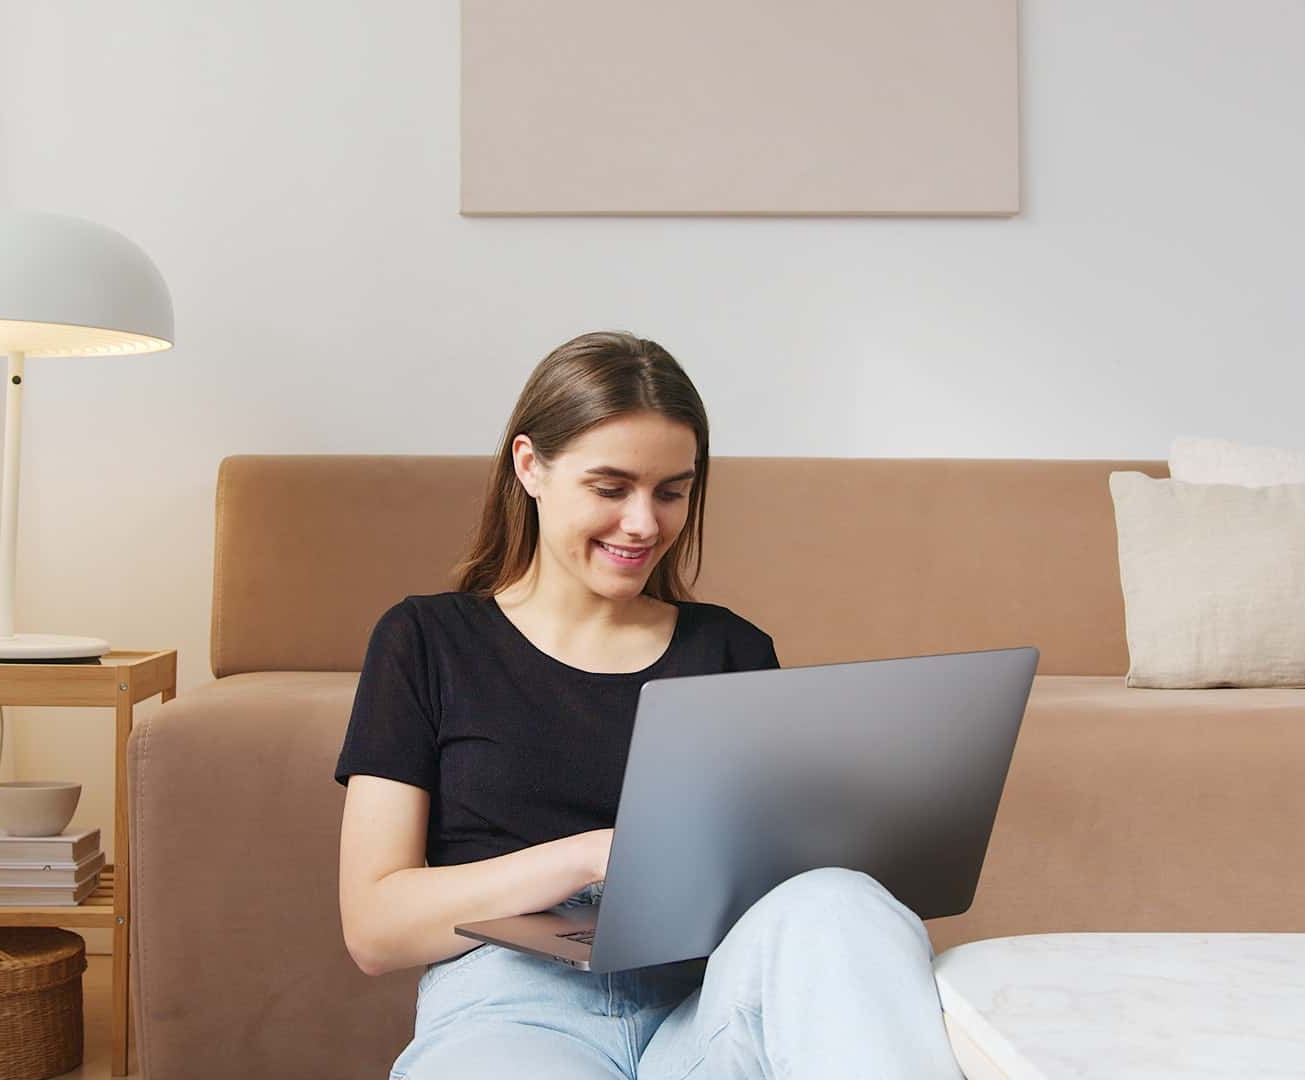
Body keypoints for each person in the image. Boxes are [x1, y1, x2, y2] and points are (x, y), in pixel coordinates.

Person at [334, 332, 965, 1079]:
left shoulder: (731, 651)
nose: (644, 524)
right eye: (611, 487)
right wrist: (592, 855)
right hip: (510, 1011)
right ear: (530, 466)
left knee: (840, 901)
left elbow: (779, 903)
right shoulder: (428, 640)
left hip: (703, 1013)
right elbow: (375, 929)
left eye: (672, 491)